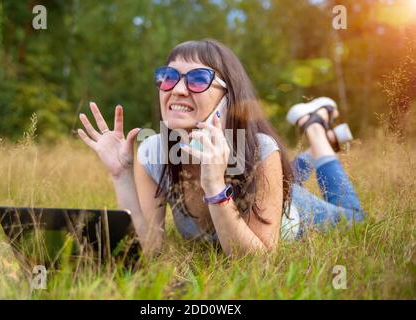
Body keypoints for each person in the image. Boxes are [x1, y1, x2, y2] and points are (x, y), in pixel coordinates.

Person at [77, 39, 365, 258]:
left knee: (354, 217)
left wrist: (214, 185)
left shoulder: (260, 150)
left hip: (294, 211)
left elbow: (258, 261)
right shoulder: (153, 153)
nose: (177, 89)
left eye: (198, 79)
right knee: (287, 172)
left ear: (228, 98)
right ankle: (309, 155)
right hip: (268, 179)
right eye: (169, 77)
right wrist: (121, 175)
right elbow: (148, 247)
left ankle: (314, 128)